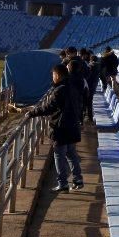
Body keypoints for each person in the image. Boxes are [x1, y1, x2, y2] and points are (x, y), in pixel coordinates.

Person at [26, 64, 83, 192]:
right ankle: (78, 179)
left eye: (53, 75)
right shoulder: (73, 86)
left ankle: (63, 183)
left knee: (59, 155)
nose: (52, 78)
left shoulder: (59, 90)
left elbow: (48, 108)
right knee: (71, 154)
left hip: (61, 127)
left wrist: (32, 113)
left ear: (57, 75)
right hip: (73, 125)